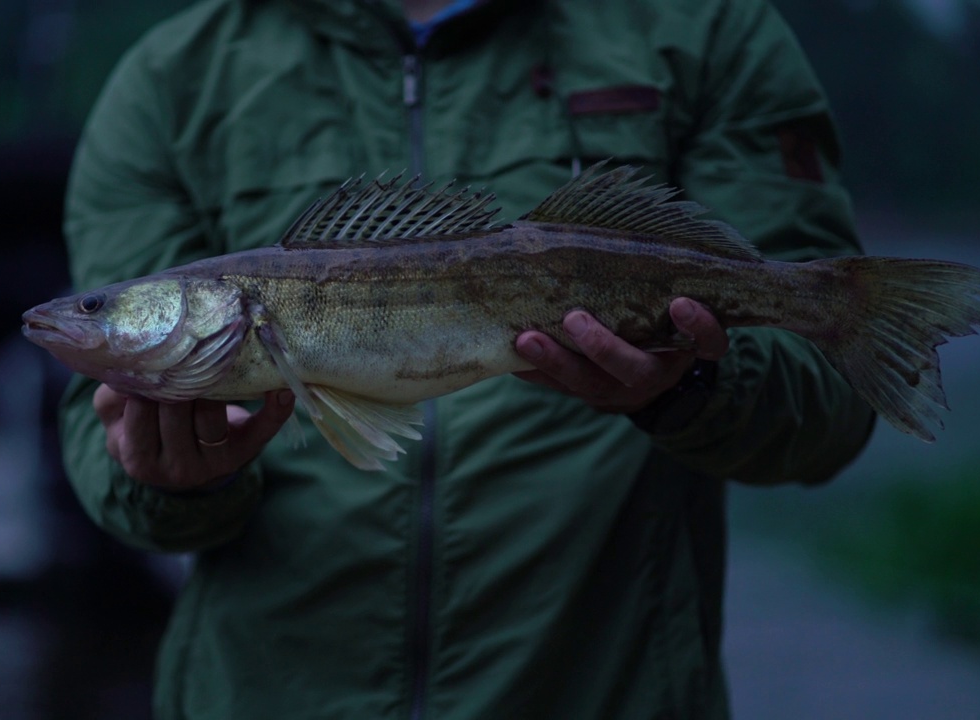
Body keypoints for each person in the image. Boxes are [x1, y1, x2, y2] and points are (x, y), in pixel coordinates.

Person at [60, 0, 876, 717]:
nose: (82, 318)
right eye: (98, 305)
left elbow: (831, 411)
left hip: (605, 689)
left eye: (100, 309)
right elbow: (94, 449)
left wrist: (692, 387)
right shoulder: (169, 80)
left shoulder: (706, 26)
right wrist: (162, 482)